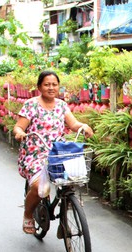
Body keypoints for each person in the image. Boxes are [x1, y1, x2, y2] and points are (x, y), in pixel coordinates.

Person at [13, 70, 94, 234]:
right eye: (47, 84)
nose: (51, 88)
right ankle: (28, 215)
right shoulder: (31, 104)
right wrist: (20, 133)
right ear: (39, 87)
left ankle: (64, 221)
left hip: (58, 152)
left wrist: (83, 126)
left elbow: (73, 124)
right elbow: (19, 126)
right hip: (35, 153)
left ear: (58, 87)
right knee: (39, 188)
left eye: (54, 84)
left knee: (73, 179)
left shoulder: (62, 105)